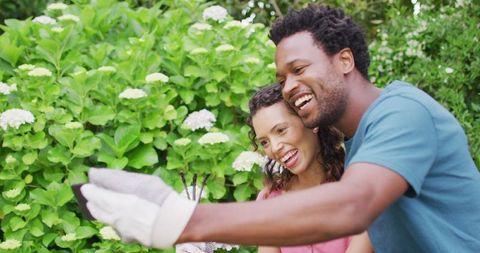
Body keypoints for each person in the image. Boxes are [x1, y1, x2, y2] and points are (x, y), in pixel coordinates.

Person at [81, 4, 480, 252]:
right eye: (282, 77)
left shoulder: (402, 113)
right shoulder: (362, 142)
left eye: (299, 70)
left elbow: (352, 206)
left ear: (344, 60)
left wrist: (182, 219)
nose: (288, 87)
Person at [248, 83, 372, 253]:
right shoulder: (270, 202)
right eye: (264, 142)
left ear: (311, 121)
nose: (275, 147)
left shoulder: (359, 188)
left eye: (281, 130)